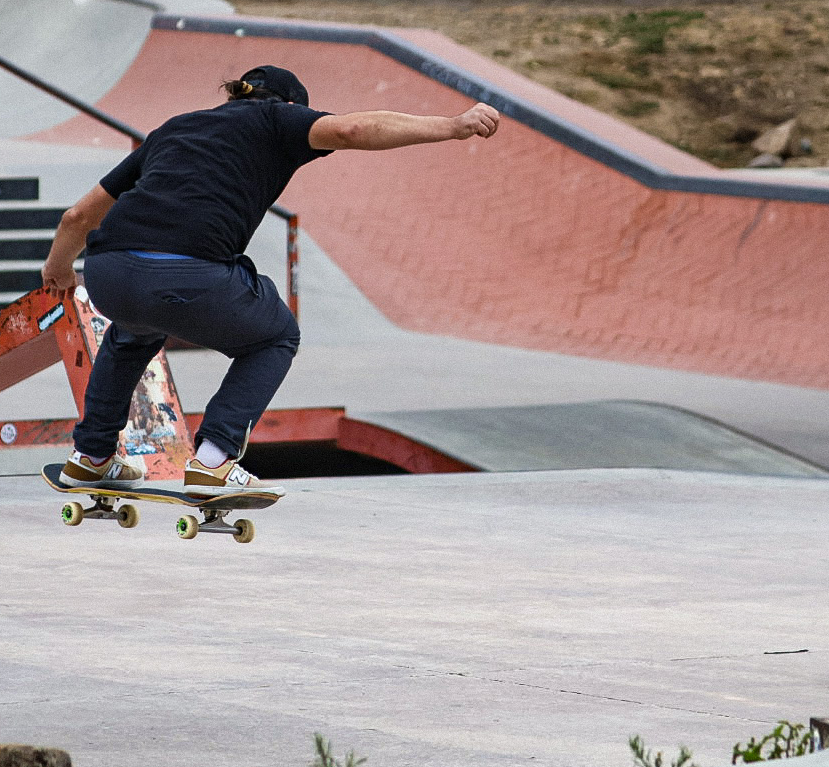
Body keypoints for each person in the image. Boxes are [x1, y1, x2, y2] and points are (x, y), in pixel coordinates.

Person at [39, 65, 501, 496]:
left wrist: (57, 268)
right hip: (187, 272)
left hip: (109, 274)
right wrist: (454, 126)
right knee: (276, 335)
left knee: (132, 332)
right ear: (293, 107)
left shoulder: (175, 128)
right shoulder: (281, 120)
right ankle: (214, 459)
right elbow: (352, 129)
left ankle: (92, 455)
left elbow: (77, 216)